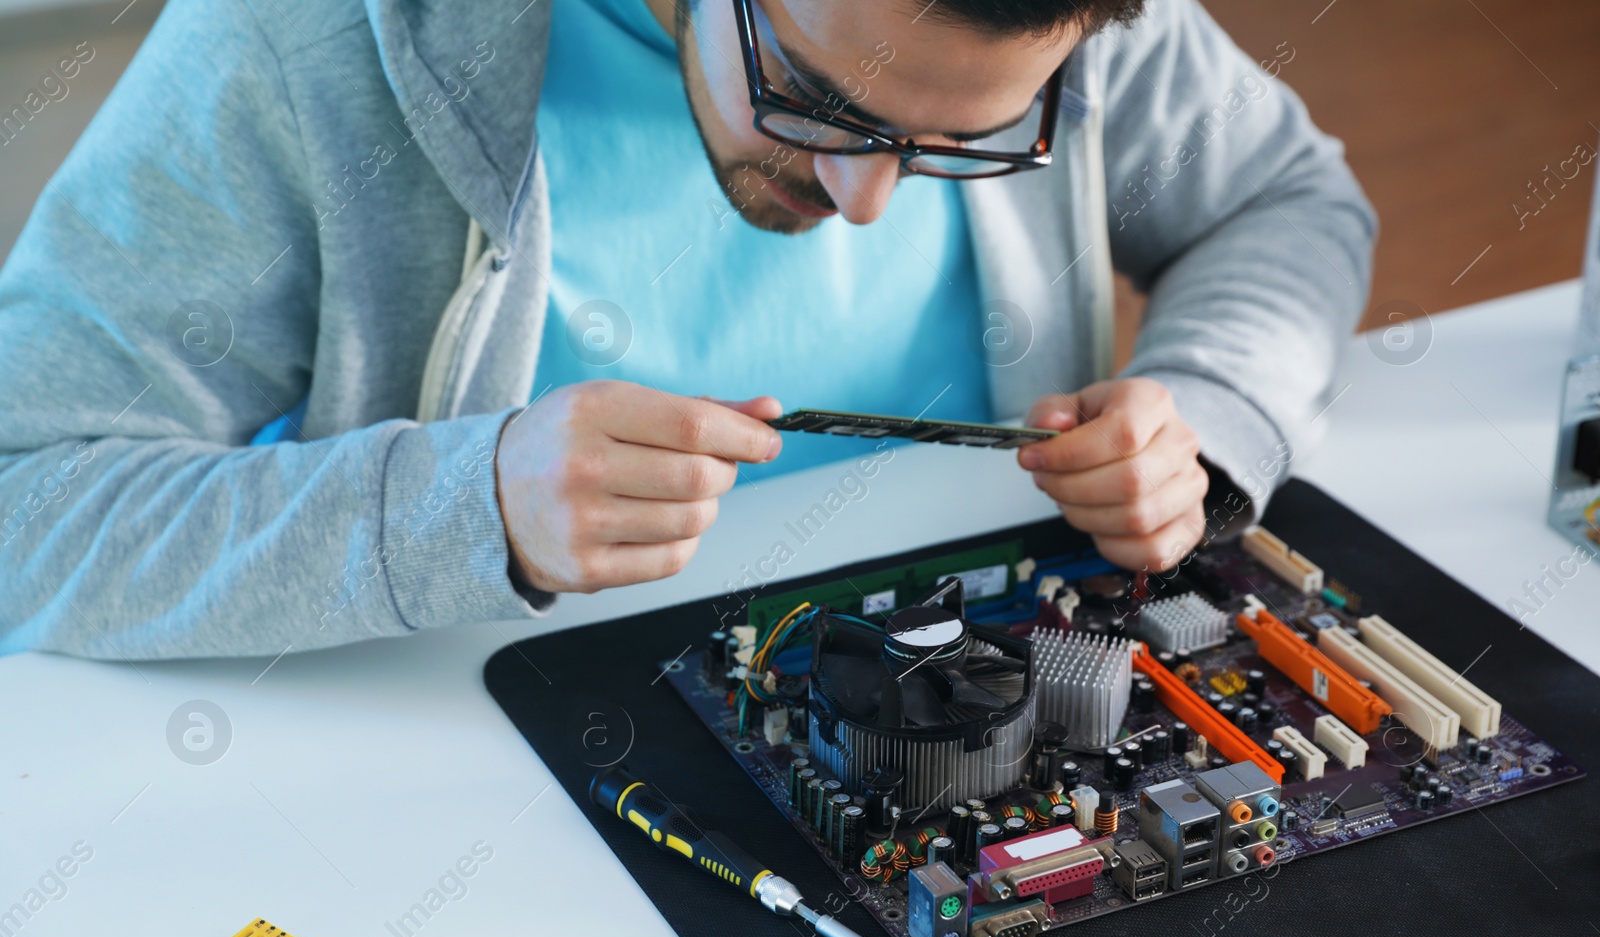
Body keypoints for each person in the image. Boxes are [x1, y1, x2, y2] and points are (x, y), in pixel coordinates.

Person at [0, 0, 1373, 659]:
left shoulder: (1055, 14)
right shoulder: (299, 44)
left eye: (967, 138)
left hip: (977, 694)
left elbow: (1290, 198)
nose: (866, 199)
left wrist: (1205, 408)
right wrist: (460, 507)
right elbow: (25, 509)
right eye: (821, 104)